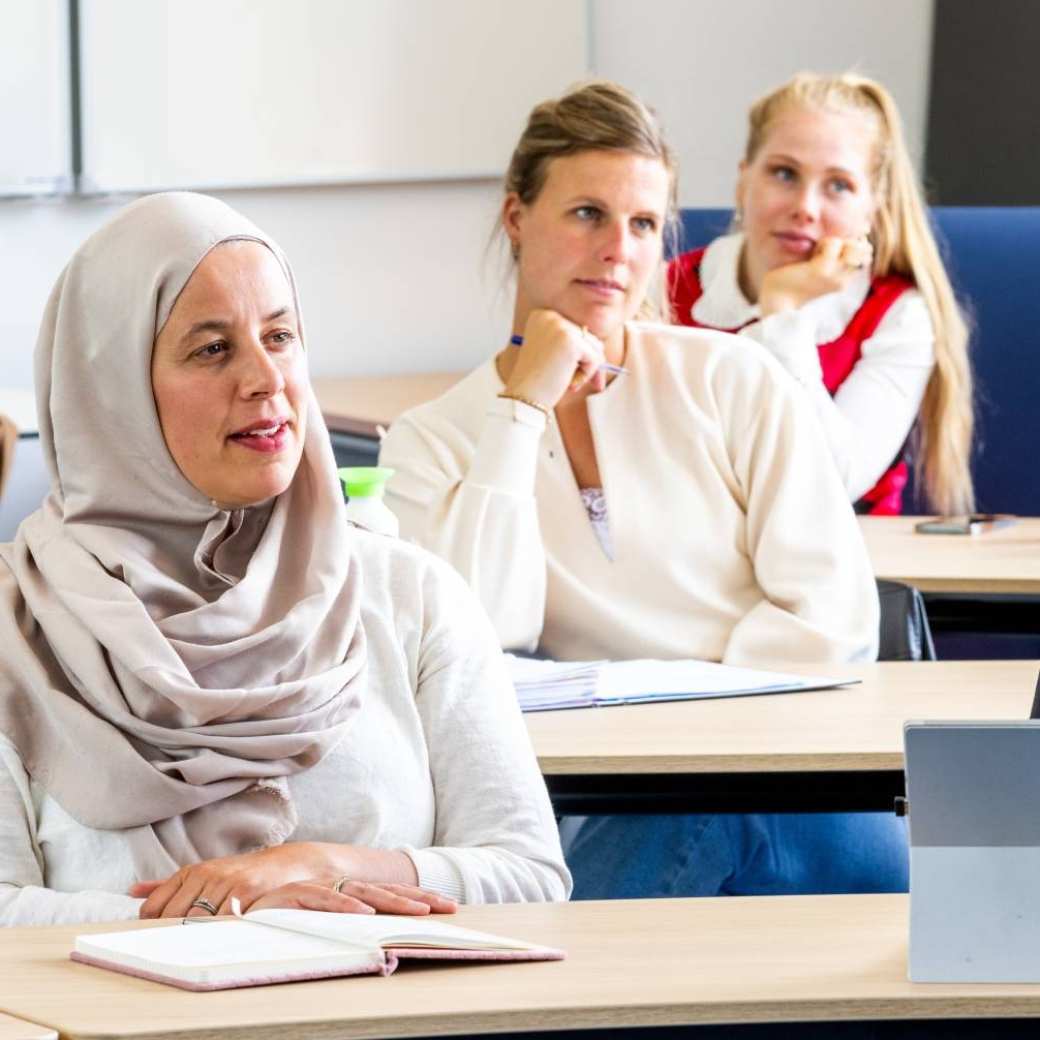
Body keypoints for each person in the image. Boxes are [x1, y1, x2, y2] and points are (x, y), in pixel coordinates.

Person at [379, 81, 905, 896]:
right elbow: (486, 633)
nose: (618, 248)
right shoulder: (432, 440)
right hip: (615, 803)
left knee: (723, 812)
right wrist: (521, 410)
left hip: (787, 787)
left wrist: (691, 719)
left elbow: (835, 620)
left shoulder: (731, 378)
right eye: (588, 213)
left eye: (644, 224)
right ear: (517, 217)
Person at [0, 192, 569, 926]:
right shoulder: (17, 627)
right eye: (212, 348)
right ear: (110, 390)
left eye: (280, 336)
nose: (267, 380)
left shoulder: (409, 595)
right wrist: (218, 918)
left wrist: (322, 868)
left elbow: (530, 875)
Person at [669, 72, 974, 516]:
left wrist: (782, 312)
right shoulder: (668, 287)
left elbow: (830, 481)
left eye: (838, 186)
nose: (805, 208)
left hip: (844, 567)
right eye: (784, 173)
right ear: (743, 181)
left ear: (872, 206)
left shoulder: (897, 316)